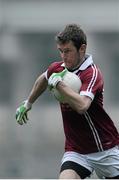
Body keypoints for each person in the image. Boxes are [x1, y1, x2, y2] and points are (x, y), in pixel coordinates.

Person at [16, 24, 119, 179]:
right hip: (76, 150)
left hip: (105, 149)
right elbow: (42, 80)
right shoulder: (58, 69)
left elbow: (82, 106)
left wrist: (60, 85)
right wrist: (28, 103)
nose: (64, 56)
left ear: (82, 49)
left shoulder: (91, 74)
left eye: (68, 51)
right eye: (61, 51)